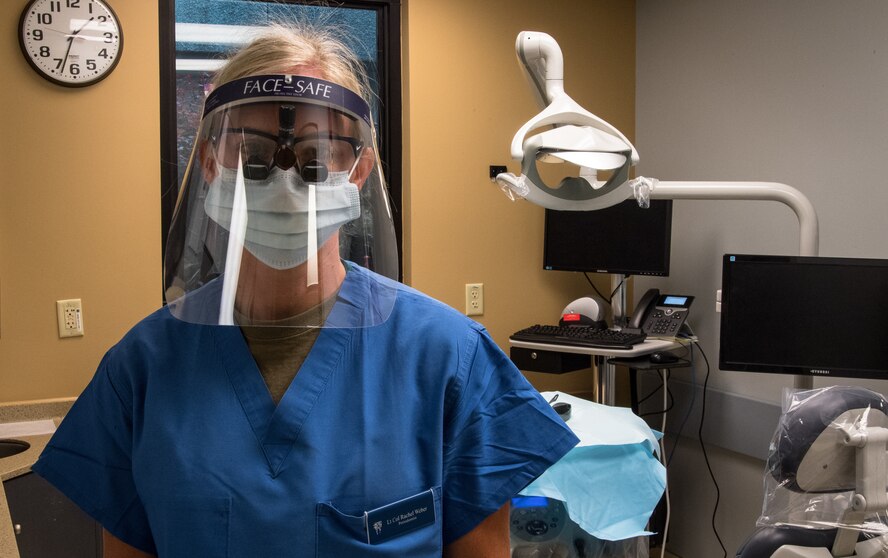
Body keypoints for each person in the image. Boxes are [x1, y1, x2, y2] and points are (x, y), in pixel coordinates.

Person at [33, 22, 578, 557]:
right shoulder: (142, 369)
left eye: (316, 159)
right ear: (207, 161)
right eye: (252, 156)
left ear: (359, 169)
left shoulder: (446, 360)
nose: (285, 184)